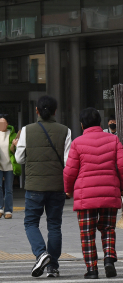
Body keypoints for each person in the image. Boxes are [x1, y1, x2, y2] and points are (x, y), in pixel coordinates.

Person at [63, 107, 123, 279]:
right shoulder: (113, 140)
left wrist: (68, 190)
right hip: (109, 192)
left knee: (87, 233)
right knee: (108, 228)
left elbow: (70, 171)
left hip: (85, 196)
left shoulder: (77, 143)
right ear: (100, 123)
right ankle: (108, 258)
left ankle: (92, 269)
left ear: (81, 124)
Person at [14, 95, 72, 278]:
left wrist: (17, 146)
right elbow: (67, 161)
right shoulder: (65, 131)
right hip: (57, 186)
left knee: (31, 223)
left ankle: (41, 254)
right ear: (55, 111)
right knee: (54, 225)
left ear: (37, 111)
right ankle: (53, 267)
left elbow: (19, 159)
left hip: (34, 187)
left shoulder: (26, 130)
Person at [0, 116, 20, 219]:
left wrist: (15, 145)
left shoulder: (12, 135)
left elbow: (17, 152)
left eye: (4, 122)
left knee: (8, 189)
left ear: (7, 124)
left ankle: (8, 210)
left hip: (10, 165)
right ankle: (0, 209)